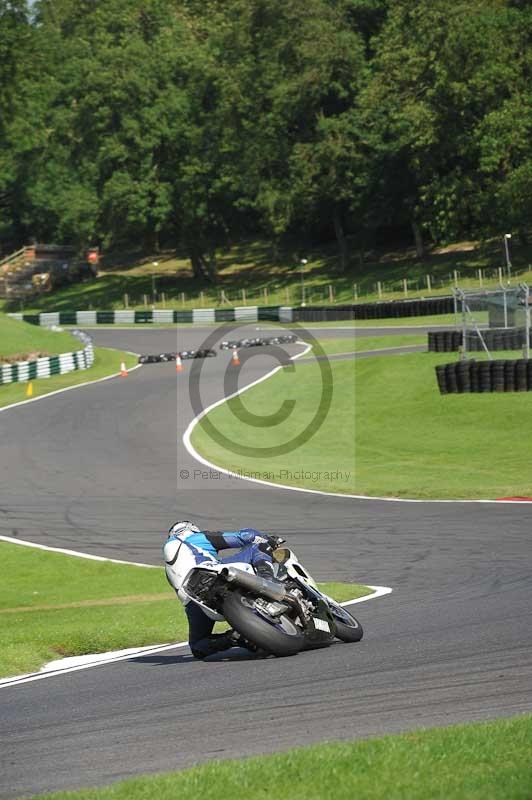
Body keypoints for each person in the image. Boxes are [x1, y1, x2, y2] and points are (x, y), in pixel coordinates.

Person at [163, 520, 280, 659]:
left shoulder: (168, 569)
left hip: (194, 601)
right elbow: (244, 536)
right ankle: (269, 580)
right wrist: (267, 539)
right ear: (191, 529)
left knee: (197, 647)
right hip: (213, 574)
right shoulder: (196, 538)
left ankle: (232, 638)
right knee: (258, 547)